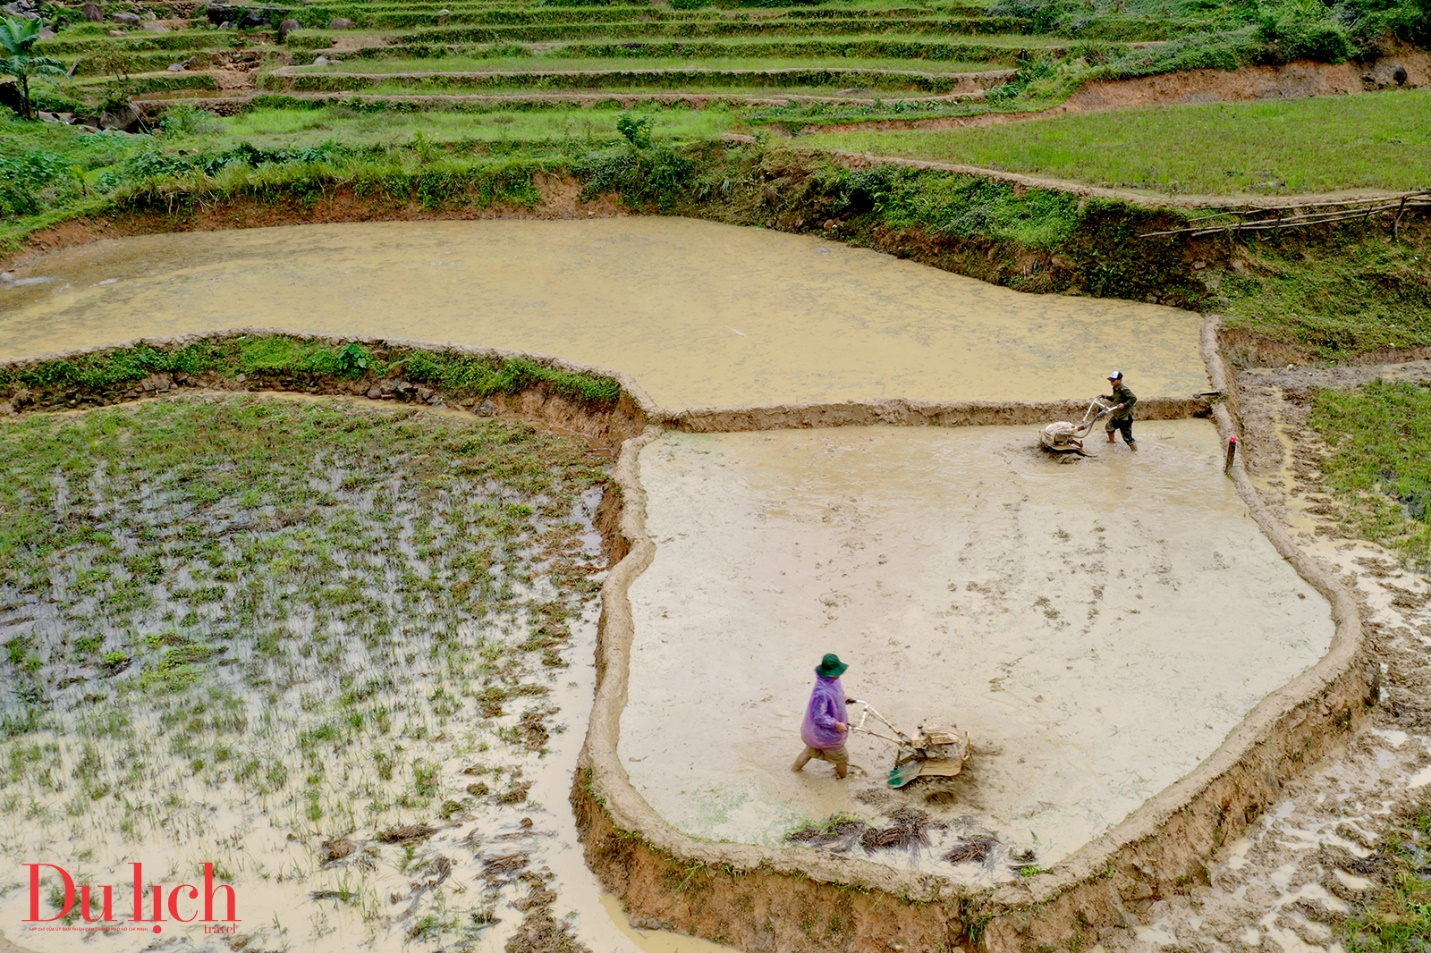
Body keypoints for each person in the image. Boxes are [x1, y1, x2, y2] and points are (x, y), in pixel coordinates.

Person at [792, 653, 858, 779]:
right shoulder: (821, 692)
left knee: (808, 752)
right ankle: (843, 782)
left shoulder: (833, 680)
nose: (839, 674)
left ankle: (793, 771)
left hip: (815, 734)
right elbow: (818, 715)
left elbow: (835, 695)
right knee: (842, 759)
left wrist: (843, 699)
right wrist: (835, 724)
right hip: (826, 734)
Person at [1102, 371, 1138, 452]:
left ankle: (1135, 451)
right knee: (1109, 427)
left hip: (1125, 417)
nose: (1111, 382)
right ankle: (1112, 442)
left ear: (1119, 380)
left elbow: (1133, 398)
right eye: (1111, 380)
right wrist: (1107, 397)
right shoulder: (1116, 388)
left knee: (1127, 438)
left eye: (1113, 380)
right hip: (1118, 415)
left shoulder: (1124, 389)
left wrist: (1125, 405)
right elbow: (1115, 399)